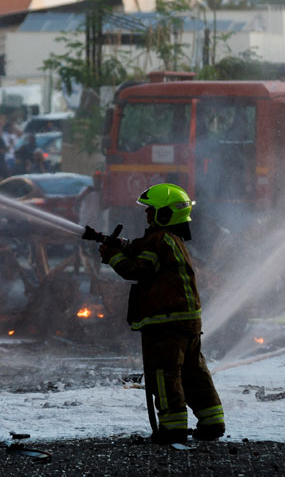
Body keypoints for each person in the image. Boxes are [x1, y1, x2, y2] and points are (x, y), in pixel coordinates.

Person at [86, 183, 225, 444]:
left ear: (166, 213)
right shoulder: (171, 240)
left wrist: (113, 256)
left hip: (165, 323)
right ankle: (212, 421)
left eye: (152, 210)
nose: (147, 214)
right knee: (194, 373)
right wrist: (116, 243)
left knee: (164, 374)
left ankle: (172, 428)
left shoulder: (160, 240)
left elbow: (138, 269)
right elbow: (140, 248)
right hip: (187, 321)